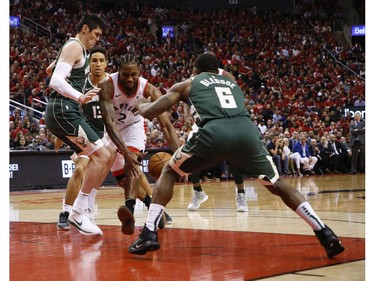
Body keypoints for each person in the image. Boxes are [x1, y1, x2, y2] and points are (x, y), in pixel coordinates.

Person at [129, 53, 345, 258]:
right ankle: (325, 233)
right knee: (276, 183)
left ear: (195, 70)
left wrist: (140, 103)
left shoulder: (188, 83)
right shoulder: (232, 82)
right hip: (246, 132)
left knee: (169, 170)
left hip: (214, 133)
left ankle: (148, 233)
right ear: (218, 69)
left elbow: (150, 112)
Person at [45, 14, 139, 236]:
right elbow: (55, 81)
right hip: (63, 109)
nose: (98, 39)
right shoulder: (75, 45)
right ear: (85, 29)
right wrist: (80, 96)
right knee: (100, 156)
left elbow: (51, 69)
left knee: (106, 153)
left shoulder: (76, 49)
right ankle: (76, 212)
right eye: (96, 34)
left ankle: (83, 207)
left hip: (66, 111)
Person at [97, 53, 179, 235]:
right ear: (118, 71)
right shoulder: (107, 85)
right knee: (123, 181)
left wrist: (180, 155)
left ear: (139, 72)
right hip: (113, 131)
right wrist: (123, 151)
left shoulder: (149, 90)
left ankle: (129, 211)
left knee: (132, 160)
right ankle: (153, 206)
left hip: (134, 127)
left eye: (133, 74)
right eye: (125, 74)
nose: (130, 78)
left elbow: (166, 125)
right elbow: (110, 123)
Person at [53, 46, 111, 230]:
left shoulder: (111, 84)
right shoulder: (80, 83)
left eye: (101, 61)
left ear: (106, 63)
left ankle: (87, 205)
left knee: (114, 163)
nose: (98, 64)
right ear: (88, 64)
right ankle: (66, 211)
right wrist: (59, 135)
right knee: (79, 169)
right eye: (94, 60)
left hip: (105, 136)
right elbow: (67, 110)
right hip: (84, 135)